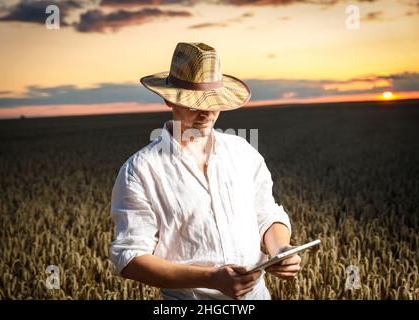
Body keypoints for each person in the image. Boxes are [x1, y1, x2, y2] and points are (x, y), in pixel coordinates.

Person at [109, 42, 301, 300]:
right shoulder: (140, 171)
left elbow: (267, 214)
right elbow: (129, 258)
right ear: (169, 98)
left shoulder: (243, 152)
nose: (206, 113)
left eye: (213, 102)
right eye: (194, 103)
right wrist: (210, 278)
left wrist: (280, 249)